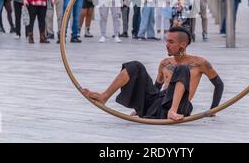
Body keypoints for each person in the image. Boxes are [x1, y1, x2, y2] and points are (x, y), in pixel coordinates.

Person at [82, 27, 224, 121]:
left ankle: (172, 111)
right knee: (136, 66)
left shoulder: (200, 63)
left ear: (182, 45)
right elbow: (155, 90)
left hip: (180, 105)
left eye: (171, 42)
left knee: (181, 69)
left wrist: (213, 109)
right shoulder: (165, 63)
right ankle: (104, 96)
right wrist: (141, 107)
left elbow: (218, 84)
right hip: (158, 104)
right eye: (166, 41)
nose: (166, 44)